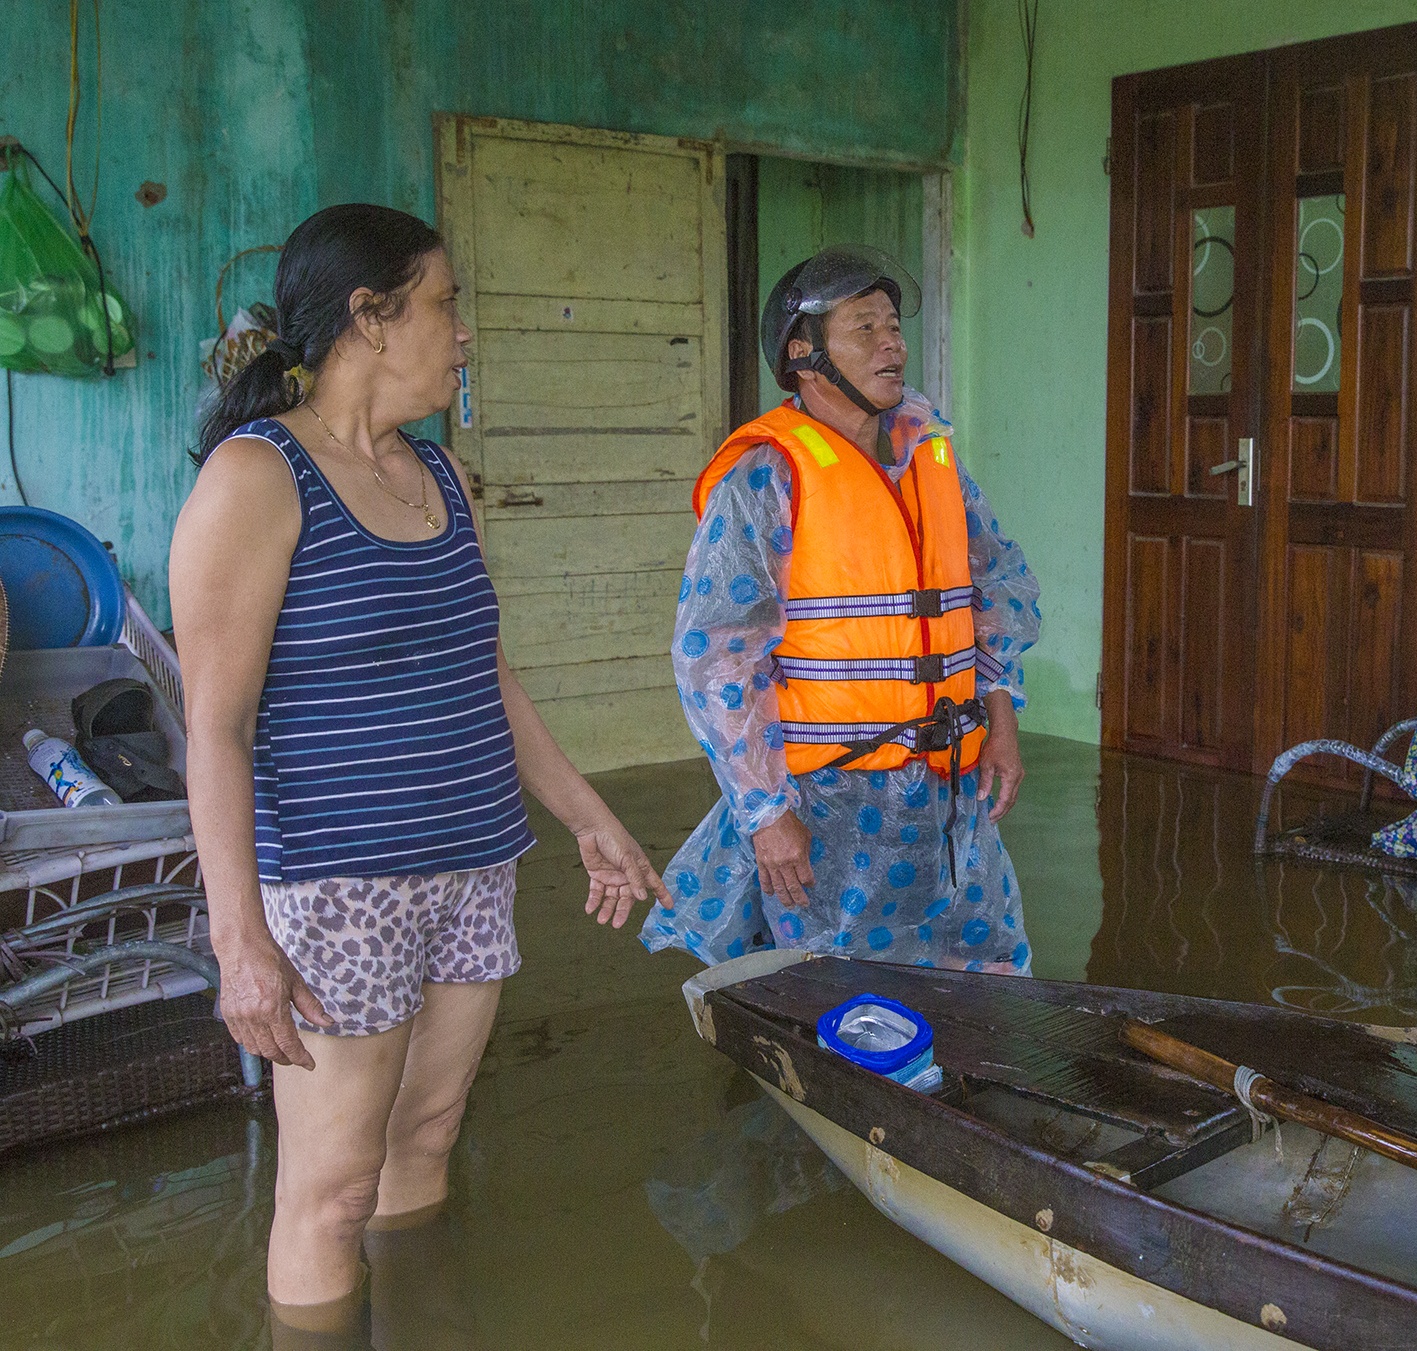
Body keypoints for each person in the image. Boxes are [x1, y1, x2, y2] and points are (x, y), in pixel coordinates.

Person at [170, 204, 669, 1337]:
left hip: (472, 868)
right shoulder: (258, 478)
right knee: (332, 1187)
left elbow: (486, 675)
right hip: (338, 891)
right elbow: (217, 729)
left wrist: (588, 813)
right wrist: (240, 938)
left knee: (427, 1137)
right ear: (369, 317)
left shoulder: (442, 477)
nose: (462, 332)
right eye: (444, 303)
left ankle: (419, 1322)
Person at [639, 246, 1040, 970]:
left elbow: (1000, 581)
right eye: (865, 328)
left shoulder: (931, 454)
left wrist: (1000, 713)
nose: (892, 342)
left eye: (893, 325)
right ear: (804, 355)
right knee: (835, 996)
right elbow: (717, 654)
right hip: (830, 800)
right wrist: (765, 814)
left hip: (951, 785)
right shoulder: (767, 476)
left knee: (984, 974)